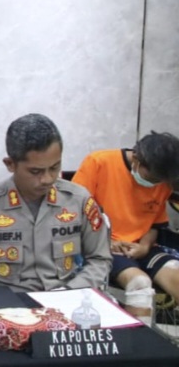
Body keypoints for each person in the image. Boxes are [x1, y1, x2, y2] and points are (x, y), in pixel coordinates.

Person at [0, 114, 110, 292]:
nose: (47, 179)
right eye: (35, 171)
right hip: (5, 303)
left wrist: (70, 291)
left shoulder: (78, 200)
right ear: (10, 164)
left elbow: (100, 259)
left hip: (65, 299)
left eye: (54, 168)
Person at [72, 131, 179, 321]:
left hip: (142, 247)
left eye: (159, 181)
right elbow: (72, 214)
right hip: (103, 247)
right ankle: (139, 339)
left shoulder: (163, 178)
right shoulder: (99, 163)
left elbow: (156, 224)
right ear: (136, 158)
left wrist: (144, 246)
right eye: (152, 178)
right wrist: (104, 242)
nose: (154, 185)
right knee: (140, 285)